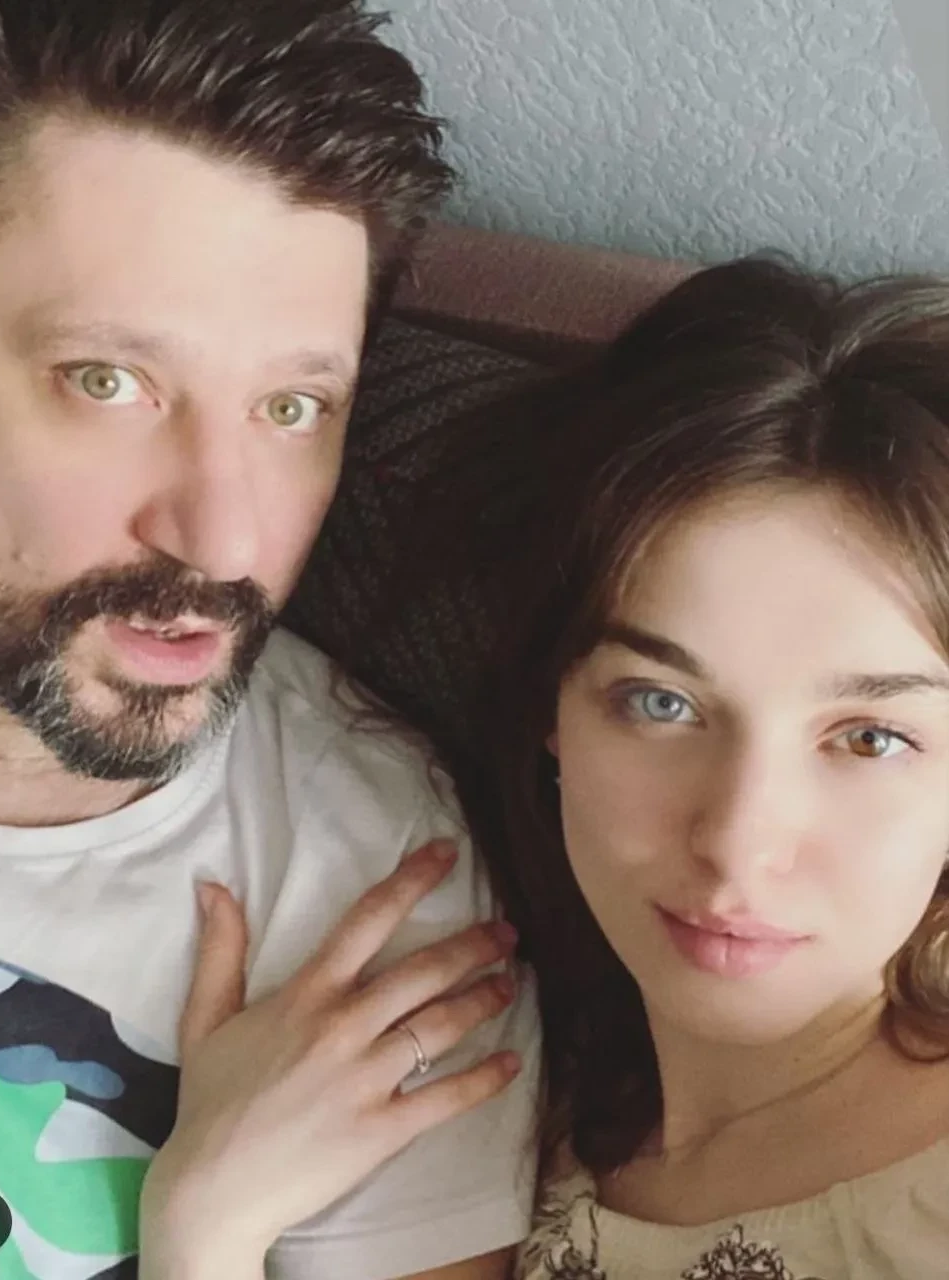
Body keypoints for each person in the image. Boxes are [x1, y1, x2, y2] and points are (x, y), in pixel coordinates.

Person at [0, 1, 540, 1277]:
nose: (223, 539)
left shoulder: (363, 885)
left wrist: (207, 1237)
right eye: (107, 381)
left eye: (293, 406)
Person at [419, 257, 949, 1278]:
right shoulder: (510, 1102)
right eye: (661, 703)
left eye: (870, 738)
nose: (737, 842)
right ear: (550, 709)